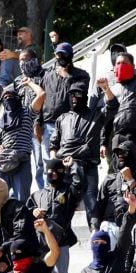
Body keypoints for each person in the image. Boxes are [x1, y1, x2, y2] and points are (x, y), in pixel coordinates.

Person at [50, 80, 118, 228]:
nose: (74, 98)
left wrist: (106, 89)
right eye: (71, 95)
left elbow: (113, 107)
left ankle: (95, 233)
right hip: (64, 167)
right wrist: (54, 162)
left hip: (87, 166)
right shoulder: (62, 118)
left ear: (85, 97)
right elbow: (53, 144)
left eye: (78, 94)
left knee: (92, 203)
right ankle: (57, 238)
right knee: (59, 204)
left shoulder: (95, 115)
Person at [27, 158, 83, 273]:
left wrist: (73, 166)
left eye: (55, 171)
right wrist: (34, 211)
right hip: (41, 244)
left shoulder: (68, 192)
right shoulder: (38, 194)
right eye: (49, 171)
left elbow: (80, 184)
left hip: (61, 242)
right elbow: (27, 210)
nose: (52, 174)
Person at [39, 42, 90, 185]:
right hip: (48, 124)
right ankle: (49, 195)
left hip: (70, 124)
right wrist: (37, 122)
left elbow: (78, 93)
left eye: (63, 54)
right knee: (49, 165)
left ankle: (70, 196)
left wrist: (66, 76)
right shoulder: (48, 74)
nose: (60, 57)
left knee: (68, 163)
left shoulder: (81, 75)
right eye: (58, 54)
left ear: (71, 56)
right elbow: (41, 98)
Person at [0, 78, 45, 202]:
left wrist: (29, 83)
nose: (8, 99)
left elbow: (42, 94)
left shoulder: (27, 112)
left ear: (18, 98)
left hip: (21, 161)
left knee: (22, 198)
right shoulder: (1, 120)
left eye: (11, 96)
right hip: (2, 163)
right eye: (5, 98)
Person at [11, 49, 46, 189]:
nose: (22, 63)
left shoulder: (44, 76)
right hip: (22, 128)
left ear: (34, 60)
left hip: (39, 126)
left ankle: (44, 192)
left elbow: (46, 102)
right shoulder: (18, 80)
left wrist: (38, 123)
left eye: (25, 59)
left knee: (40, 162)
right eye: (20, 60)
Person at [109, 52, 136, 142]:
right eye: (118, 63)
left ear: (133, 66)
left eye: (124, 63)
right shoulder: (112, 90)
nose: (121, 66)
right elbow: (108, 117)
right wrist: (103, 142)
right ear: (114, 67)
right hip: (119, 138)